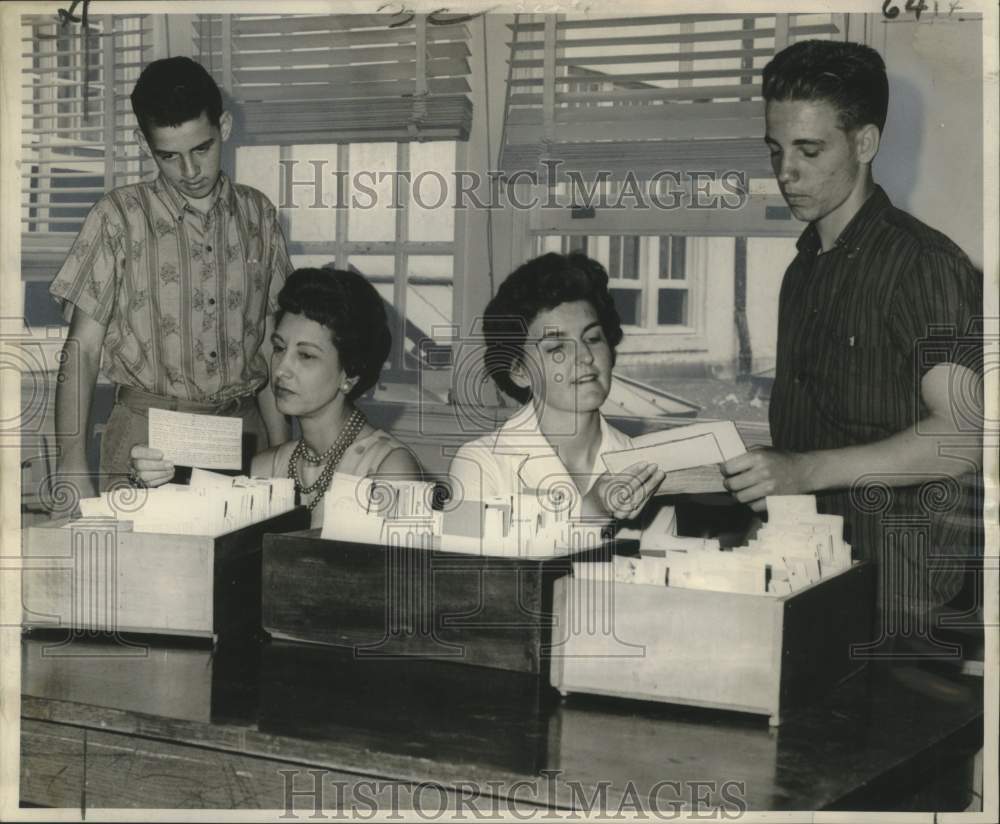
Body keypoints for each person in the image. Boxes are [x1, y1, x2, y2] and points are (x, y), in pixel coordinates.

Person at [722, 40, 983, 663]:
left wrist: (803, 469)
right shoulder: (803, 269)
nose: (787, 172)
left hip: (903, 612)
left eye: (810, 151)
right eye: (777, 150)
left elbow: (965, 439)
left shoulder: (924, 265)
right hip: (812, 589)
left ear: (864, 144)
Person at [49, 56, 292, 512]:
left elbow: (268, 346)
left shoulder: (259, 215)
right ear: (146, 145)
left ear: (223, 126)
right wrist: (71, 459)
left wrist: (284, 454)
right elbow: (81, 352)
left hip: (245, 435)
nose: (190, 171)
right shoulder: (116, 218)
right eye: (169, 156)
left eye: (202, 148)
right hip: (148, 440)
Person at [131, 267, 422, 527]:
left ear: (350, 374)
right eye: (279, 348)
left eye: (306, 355)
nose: (281, 368)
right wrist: (153, 481)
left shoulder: (390, 469)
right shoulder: (266, 467)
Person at [448, 252, 665, 525]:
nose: (585, 356)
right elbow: (470, 566)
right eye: (557, 347)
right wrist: (590, 513)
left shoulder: (645, 464)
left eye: (593, 338)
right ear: (519, 371)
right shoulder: (480, 464)